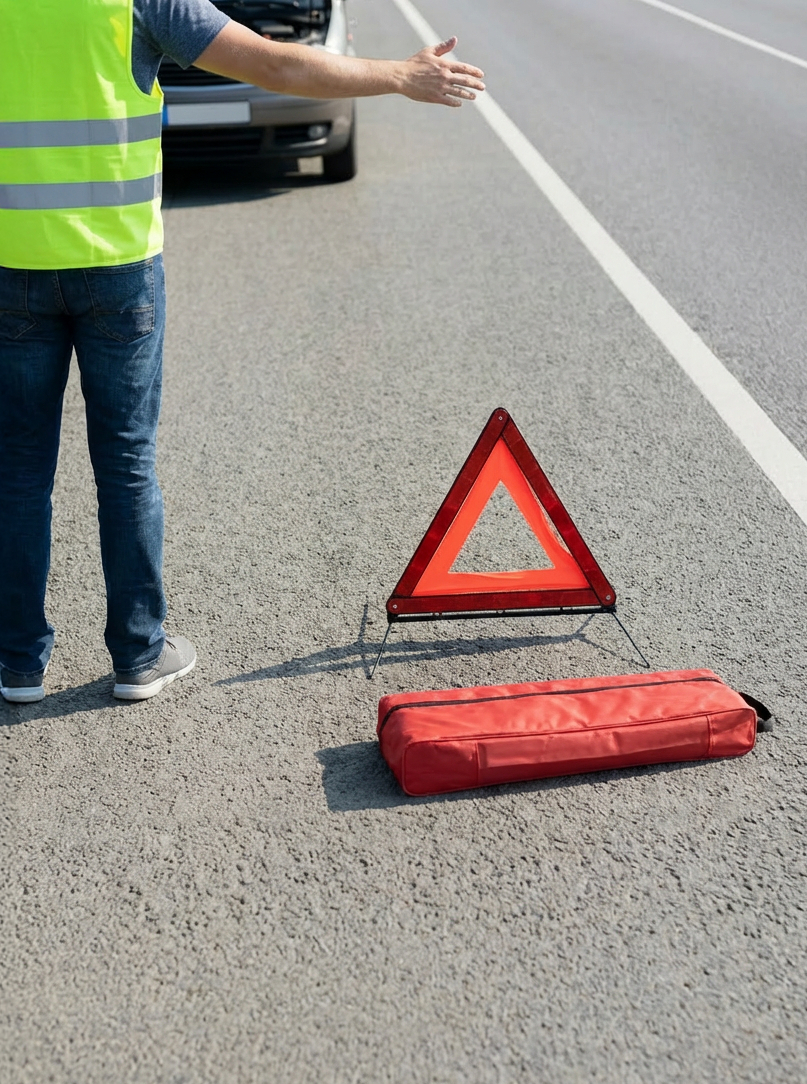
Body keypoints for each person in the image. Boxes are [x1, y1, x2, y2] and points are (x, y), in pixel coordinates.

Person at [0, 0, 484, 703]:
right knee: (127, 465)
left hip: (13, 262)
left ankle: (17, 664)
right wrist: (401, 74)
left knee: (17, 469)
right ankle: (138, 653)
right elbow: (272, 61)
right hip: (118, 267)